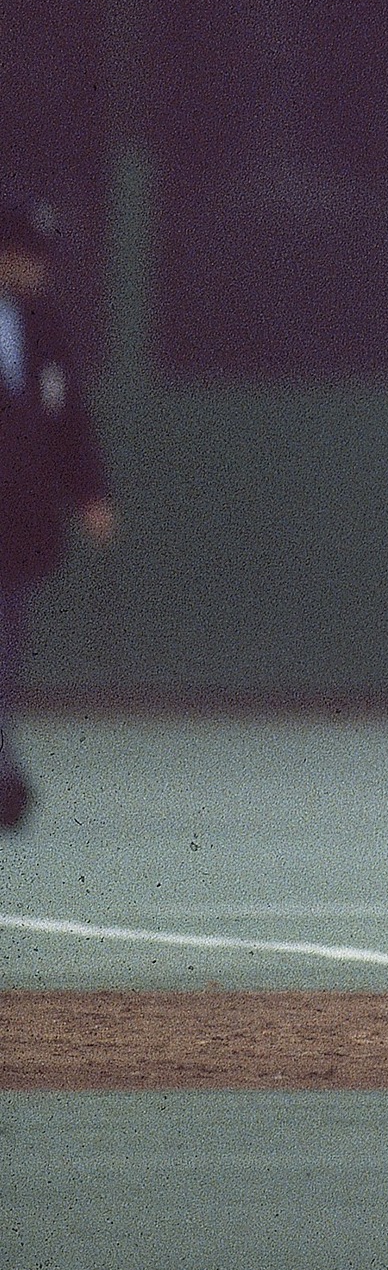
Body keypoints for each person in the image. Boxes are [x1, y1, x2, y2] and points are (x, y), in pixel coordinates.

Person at [0, 197, 116, 827]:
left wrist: (91, 494)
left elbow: (72, 421)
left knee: (7, 647)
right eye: (26, 254)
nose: (38, 268)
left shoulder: (45, 325)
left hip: (17, 525)